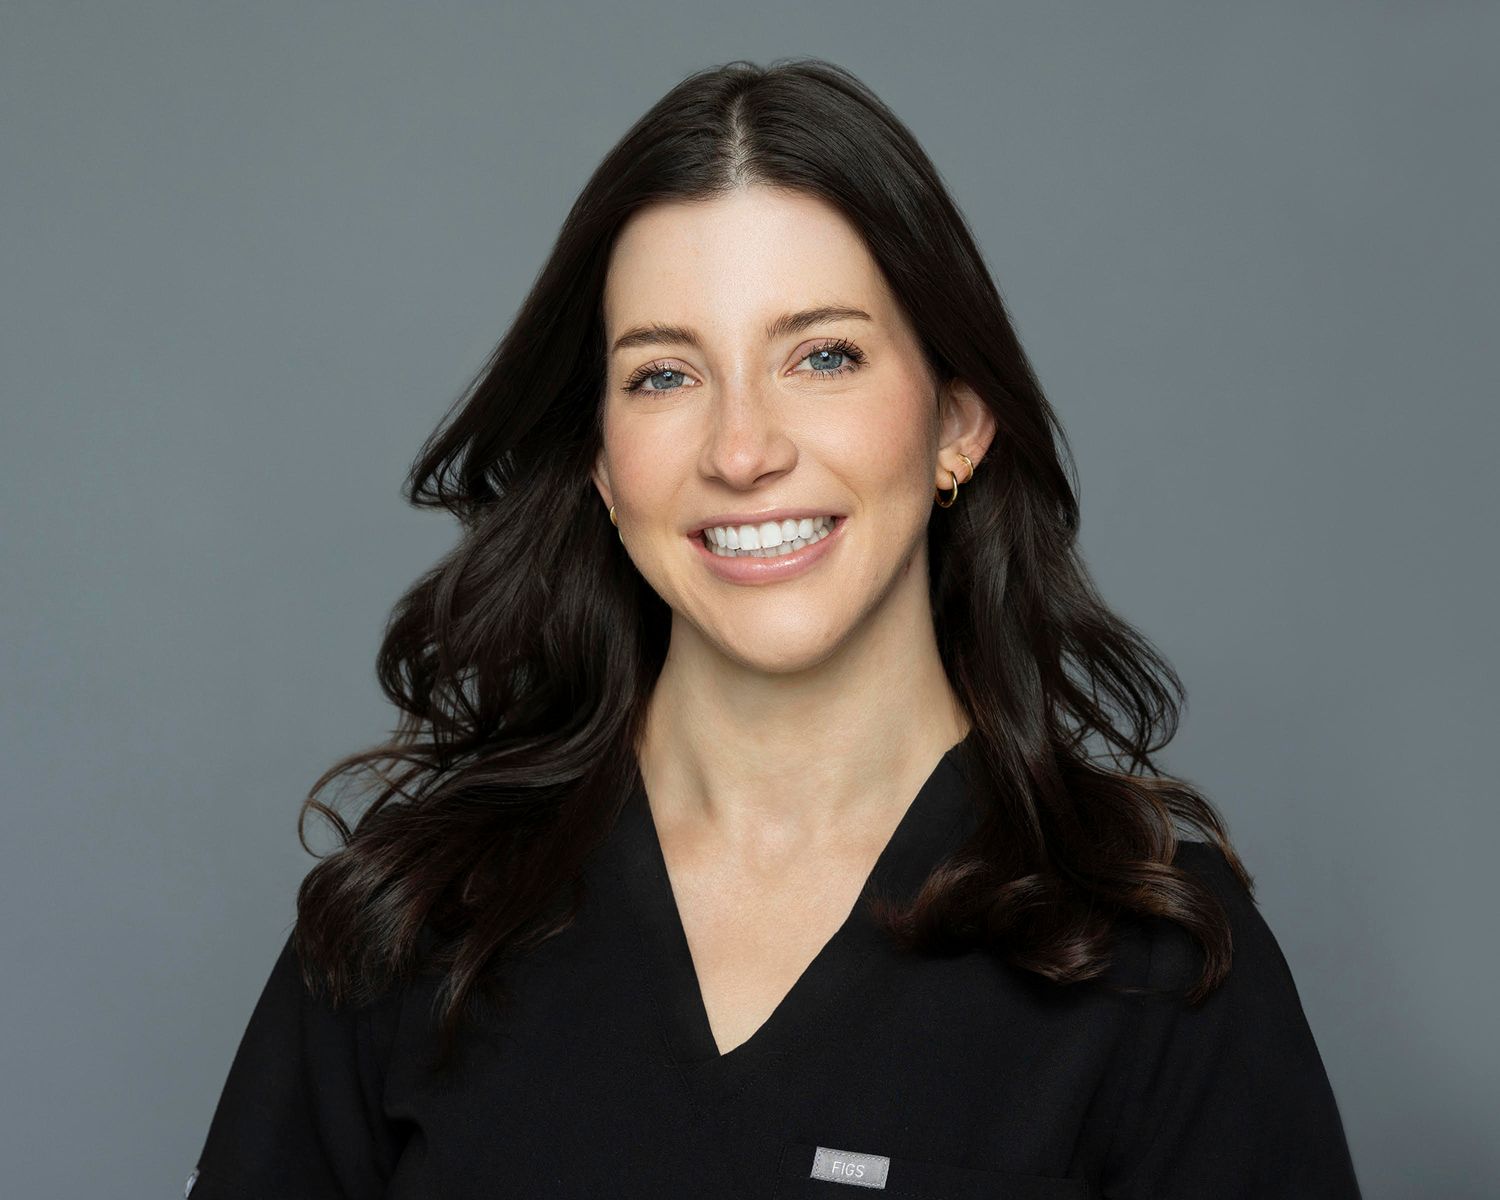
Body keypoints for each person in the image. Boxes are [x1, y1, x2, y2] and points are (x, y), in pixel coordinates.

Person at [185, 57, 1362, 1199]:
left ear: (957, 418)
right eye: (662, 376)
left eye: (824, 356)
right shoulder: (413, 924)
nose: (744, 451)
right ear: (600, 459)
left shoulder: (1153, 957)